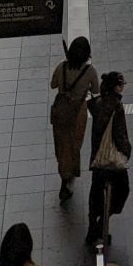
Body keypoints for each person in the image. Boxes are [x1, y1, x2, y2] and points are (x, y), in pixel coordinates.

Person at [49, 37, 100, 202]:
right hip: (78, 113)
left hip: (60, 111)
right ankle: (69, 177)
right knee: (74, 145)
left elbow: (53, 85)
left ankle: (64, 173)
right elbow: (96, 89)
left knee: (61, 144)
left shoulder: (61, 66)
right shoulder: (90, 71)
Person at [86, 72, 131, 246]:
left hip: (97, 158)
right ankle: (103, 222)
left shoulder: (97, 103)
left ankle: (92, 228)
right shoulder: (117, 106)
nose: (123, 87)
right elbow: (120, 136)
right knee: (122, 190)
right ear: (115, 87)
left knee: (95, 195)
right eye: (121, 85)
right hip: (111, 161)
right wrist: (127, 151)